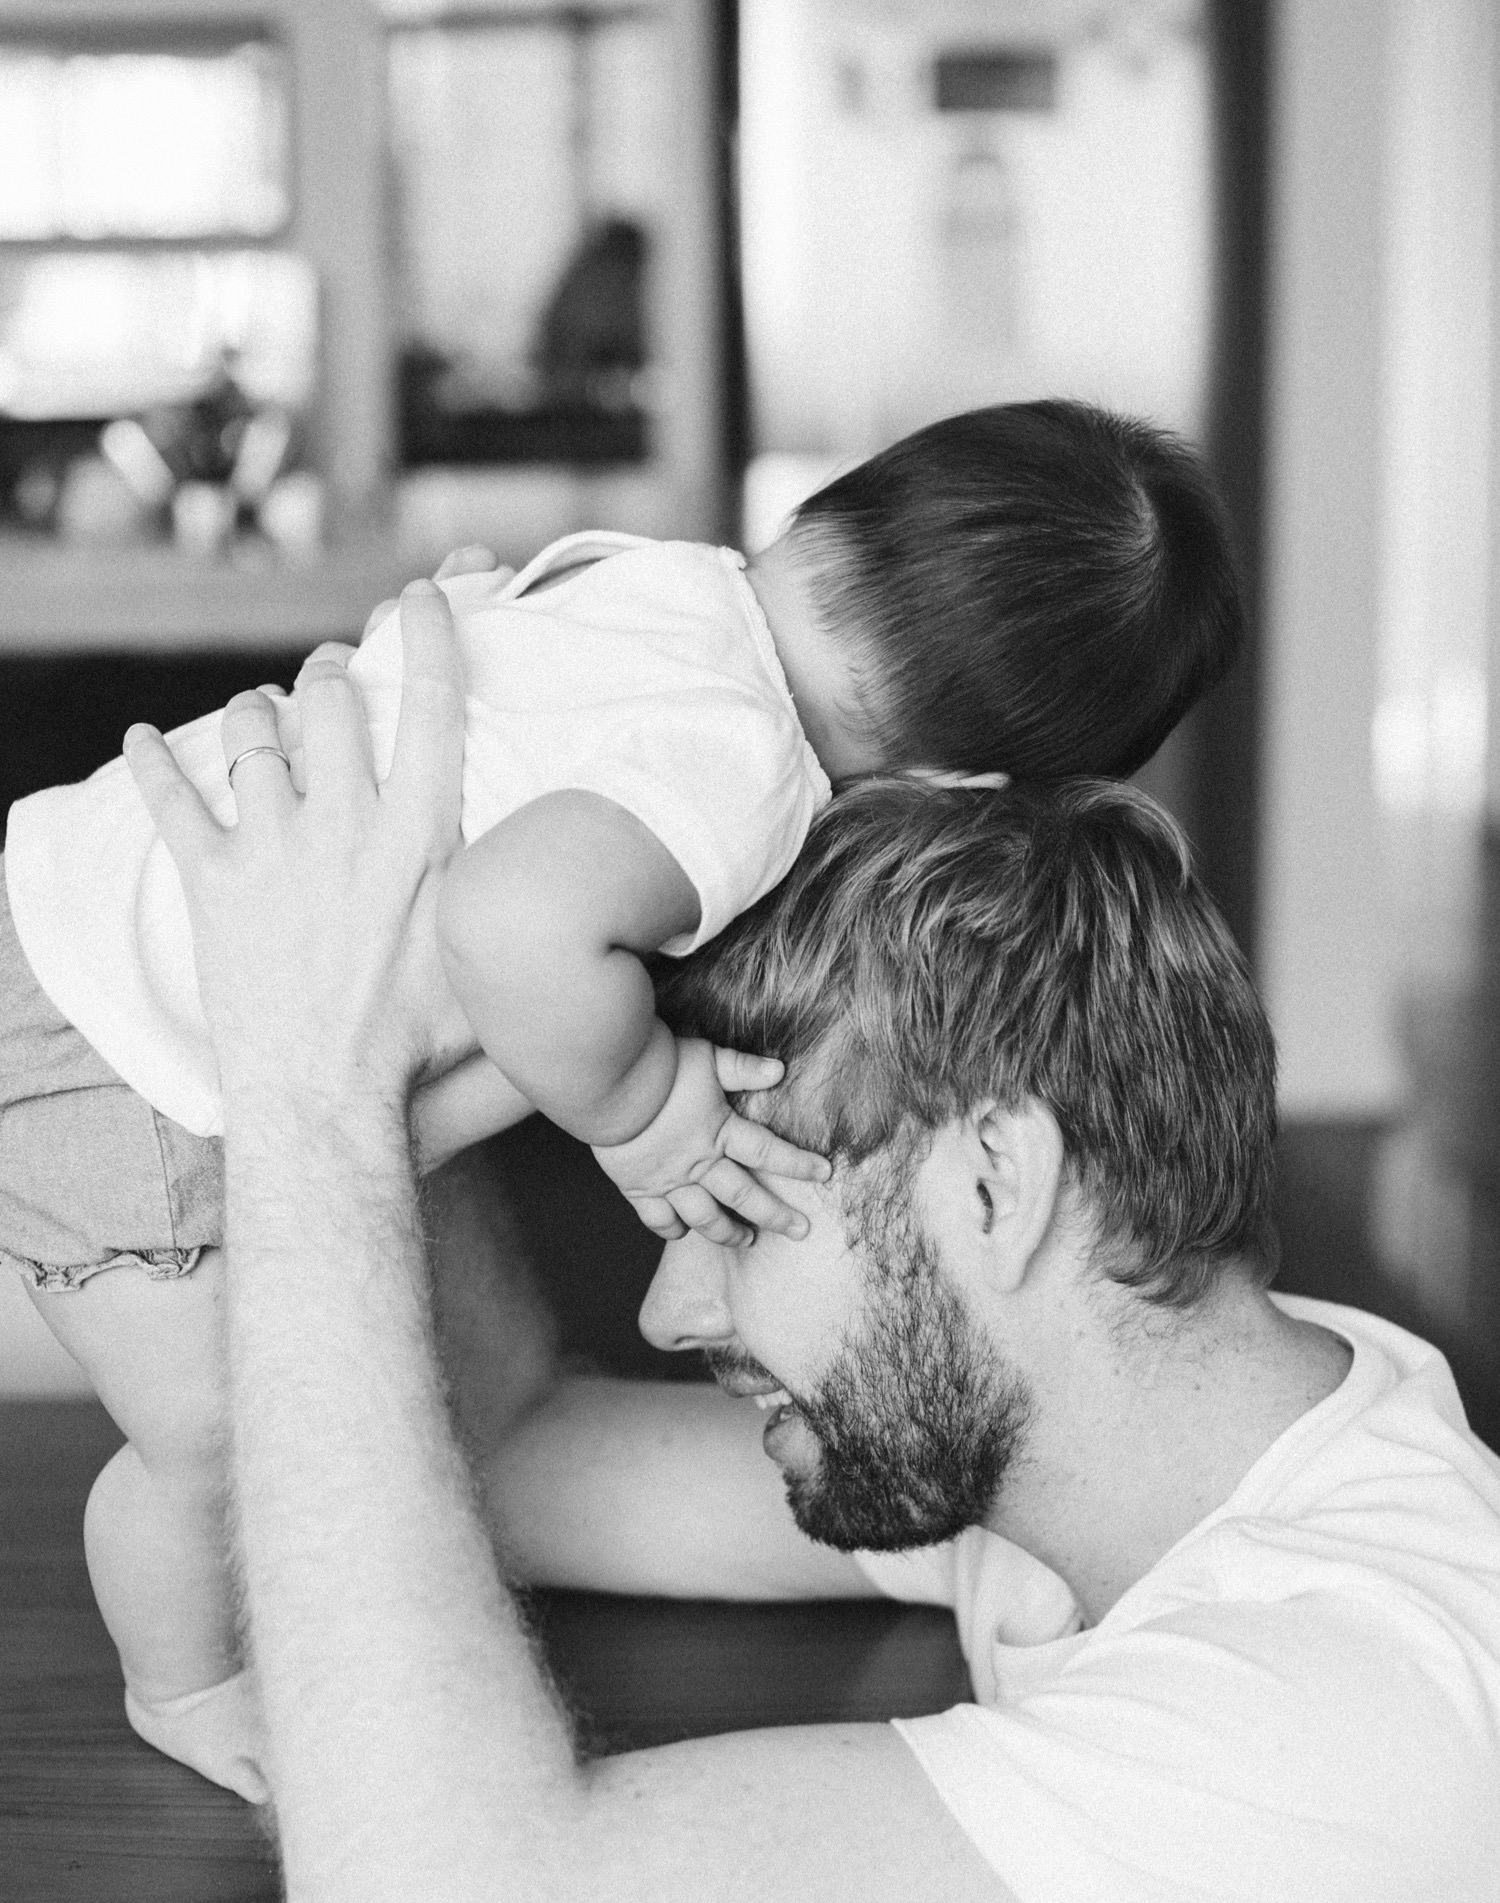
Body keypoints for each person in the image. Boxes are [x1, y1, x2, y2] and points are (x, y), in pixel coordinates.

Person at [121, 589, 1500, 1903]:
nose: (669, 1309)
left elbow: (433, 1902)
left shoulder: (1350, 1694)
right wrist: (429, 1006)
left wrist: (307, 1093)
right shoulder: (1144, 1447)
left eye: (743, 1211)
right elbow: (516, 1449)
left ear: (995, 1182)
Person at [1, 400, 1242, 1791]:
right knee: (220, 1432)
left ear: (839, 512)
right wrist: (651, 1110)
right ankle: (186, 1679)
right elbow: (511, 917)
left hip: (75, 891)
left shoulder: (654, 580)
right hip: (129, 1048)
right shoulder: (747, 773)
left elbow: (460, 617)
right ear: (963, 784)